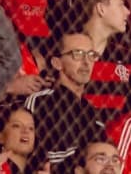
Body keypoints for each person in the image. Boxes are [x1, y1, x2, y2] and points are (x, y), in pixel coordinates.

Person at [24, 32, 105, 168]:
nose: (86, 62)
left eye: (91, 55)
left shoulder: (93, 113)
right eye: (77, 54)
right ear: (57, 63)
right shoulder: (41, 102)